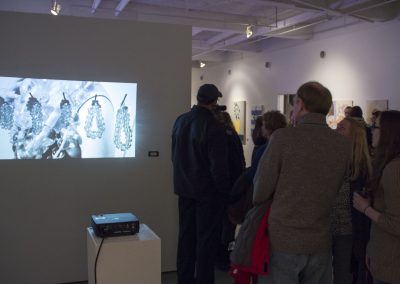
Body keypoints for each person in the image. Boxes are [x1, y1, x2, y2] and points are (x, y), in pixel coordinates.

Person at [254, 81, 351, 284]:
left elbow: (260, 191)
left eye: (295, 103)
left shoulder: (282, 138)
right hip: (320, 239)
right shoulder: (342, 144)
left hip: (284, 239)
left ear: (301, 104)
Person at [171, 83, 231, 284]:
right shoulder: (214, 126)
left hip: (184, 190)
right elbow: (218, 167)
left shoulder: (180, 121)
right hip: (207, 194)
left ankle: (184, 279)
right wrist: (226, 193)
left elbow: (175, 156)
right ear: (214, 101)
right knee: (206, 243)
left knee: (185, 239)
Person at [353, 110, 400, 284]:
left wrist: (365, 208)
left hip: (391, 263)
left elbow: (396, 223)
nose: (371, 130)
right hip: (385, 256)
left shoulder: (394, 169)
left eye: (375, 127)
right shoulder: (390, 165)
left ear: (389, 132)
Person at [336, 118, 373, 284]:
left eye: (342, 128)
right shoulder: (337, 162)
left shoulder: (364, 169)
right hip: (331, 230)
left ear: (354, 136)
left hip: (349, 233)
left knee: (344, 275)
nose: (336, 131)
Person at [214, 111, 245, 270]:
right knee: (229, 223)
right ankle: (225, 256)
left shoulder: (222, 137)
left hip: (226, 186)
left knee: (222, 222)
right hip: (235, 185)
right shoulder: (233, 135)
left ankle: (221, 257)